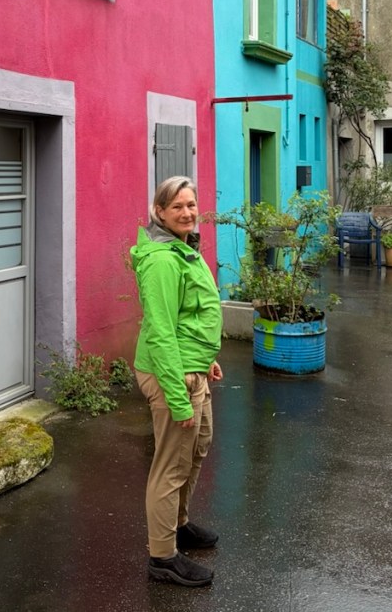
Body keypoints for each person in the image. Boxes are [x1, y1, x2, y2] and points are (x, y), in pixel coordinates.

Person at [131, 175, 223, 587]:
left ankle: (178, 525)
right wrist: (177, 396)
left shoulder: (183, 247)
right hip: (173, 375)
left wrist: (206, 358)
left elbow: (191, 314)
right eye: (177, 207)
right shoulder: (162, 261)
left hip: (192, 367)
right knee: (171, 466)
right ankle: (162, 557)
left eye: (191, 205)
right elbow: (161, 332)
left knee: (196, 449)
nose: (187, 213)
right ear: (159, 212)